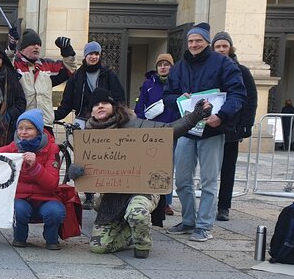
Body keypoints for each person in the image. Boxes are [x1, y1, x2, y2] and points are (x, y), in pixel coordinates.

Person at [68, 88, 212, 258]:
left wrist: (195, 116)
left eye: (105, 103)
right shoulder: (88, 135)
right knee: (98, 246)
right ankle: (129, 233)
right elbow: (83, 168)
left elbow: (168, 130)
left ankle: (142, 244)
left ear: (113, 106)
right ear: (90, 110)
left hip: (142, 190)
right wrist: (74, 171)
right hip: (112, 195)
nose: (100, 107)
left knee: (137, 212)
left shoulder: (134, 124)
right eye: (96, 105)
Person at [163, 24, 246, 242]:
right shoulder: (179, 67)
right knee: (182, 180)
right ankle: (188, 220)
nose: (194, 44)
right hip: (186, 130)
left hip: (212, 130)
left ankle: (204, 225)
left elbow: (238, 93)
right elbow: (167, 96)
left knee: (209, 181)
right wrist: (179, 98)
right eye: (190, 41)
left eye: (198, 40)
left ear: (207, 42)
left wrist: (223, 115)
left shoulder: (223, 64)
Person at [55, 41, 125, 209]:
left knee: (106, 157)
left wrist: (118, 116)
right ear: (85, 56)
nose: (93, 57)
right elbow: (66, 103)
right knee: (85, 158)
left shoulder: (109, 75)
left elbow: (119, 98)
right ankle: (88, 194)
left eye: (96, 54)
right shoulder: (76, 77)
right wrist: (52, 116)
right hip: (83, 118)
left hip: (104, 121)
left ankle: (107, 192)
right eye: (90, 54)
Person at [0, 109, 64, 250]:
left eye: (29, 129)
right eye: (20, 128)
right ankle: (19, 238)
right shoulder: (14, 147)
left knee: (55, 212)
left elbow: (51, 184)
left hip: (46, 198)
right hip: (21, 198)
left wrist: (35, 166)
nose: (23, 132)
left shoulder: (52, 149)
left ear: (38, 130)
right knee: (18, 209)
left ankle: (51, 239)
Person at [211, 32, 257, 222]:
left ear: (230, 48)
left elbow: (250, 99)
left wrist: (246, 124)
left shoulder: (242, 71)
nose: (222, 49)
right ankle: (207, 206)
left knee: (227, 169)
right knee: (208, 170)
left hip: (231, 127)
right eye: (218, 46)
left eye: (225, 46)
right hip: (211, 127)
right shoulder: (209, 69)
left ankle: (224, 207)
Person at [7, 27, 77, 135]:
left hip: (45, 124)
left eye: (39, 44)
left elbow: (70, 69)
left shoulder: (47, 65)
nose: (37, 47)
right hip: (23, 123)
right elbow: (4, 63)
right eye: (32, 44)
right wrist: (12, 45)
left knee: (48, 152)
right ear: (22, 48)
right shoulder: (16, 64)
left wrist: (67, 50)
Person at [134, 53, 179, 216]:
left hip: (171, 129)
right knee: (150, 165)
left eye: (166, 64)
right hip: (152, 130)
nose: (163, 67)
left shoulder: (177, 83)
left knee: (168, 166)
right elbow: (140, 106)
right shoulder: (148, 84)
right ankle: (150, 198)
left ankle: (166, 202)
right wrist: (141, 122)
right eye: (160, 64)